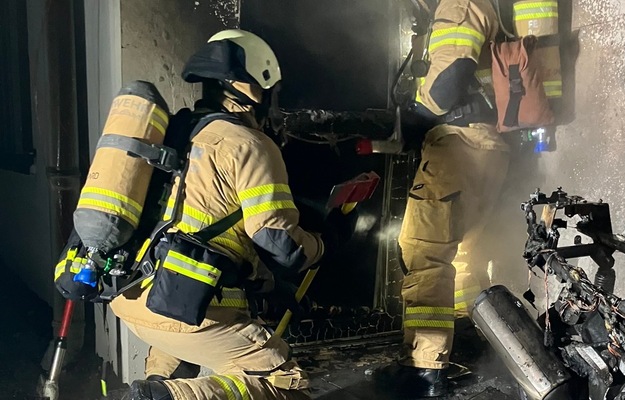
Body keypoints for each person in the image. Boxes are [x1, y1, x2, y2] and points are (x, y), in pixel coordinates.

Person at [111, 29, 351, 400]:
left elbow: (200, 227)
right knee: (283, 384)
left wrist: (269, 287)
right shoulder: (249, 144)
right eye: (268, 91)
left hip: (133, 299)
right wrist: (326, 243)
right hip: (186, 311)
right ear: (248, 87)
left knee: (181, 357)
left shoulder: (176, 133)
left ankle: (158, 386)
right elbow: (280, 244)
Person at [377, 0, 510, 397]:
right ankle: (472, 337)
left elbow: (448, 80)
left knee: (424, 253)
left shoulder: (459, 4)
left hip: (458, 144)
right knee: (466, 252)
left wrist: (415, 117)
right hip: (486, 146)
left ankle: (423, 371)